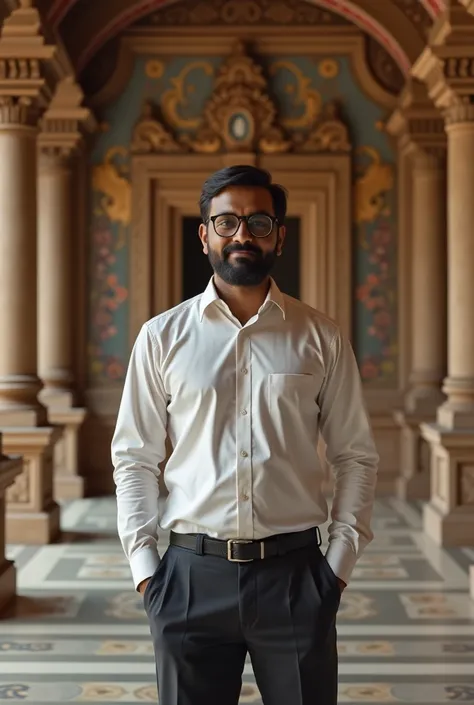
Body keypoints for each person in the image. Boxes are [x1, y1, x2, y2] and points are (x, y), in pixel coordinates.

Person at [111, 165, 379, 705]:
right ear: (204, 233)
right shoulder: (161, 337)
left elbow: (356, 455)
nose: (242, 235)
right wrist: (148, 575)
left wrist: (337, 570)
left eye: (258, 222)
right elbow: (134, 458)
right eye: (227, 221)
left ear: (279, 234)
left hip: (297, 578)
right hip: (188, 579)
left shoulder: (320, 336)